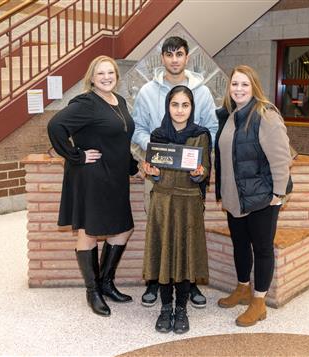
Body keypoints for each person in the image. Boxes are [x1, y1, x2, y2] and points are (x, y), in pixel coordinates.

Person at [47, 55, 139, 317]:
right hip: (92, 176)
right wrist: (77, 155)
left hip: (116, 177)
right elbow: (56, 125)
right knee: (89, 231)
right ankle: (93, 291)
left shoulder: (118, 101)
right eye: (101, 74)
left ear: (116, 76)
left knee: (123, 229)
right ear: (92, 78)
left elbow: (119, 139)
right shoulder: (86, 102)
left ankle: (106, 283)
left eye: (110, 73)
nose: (106, 77)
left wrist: (133, 167)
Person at [132, 36, 217, 308]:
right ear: (163, 59)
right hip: (159, 175)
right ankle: (156, 281)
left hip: (190, 181)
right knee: (160, 226)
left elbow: (211, 130)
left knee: (188, 230)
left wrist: (193, 155)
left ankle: (189, 283)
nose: (174, 59)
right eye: (169, 55)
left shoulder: (201, 92)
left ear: (187, 57)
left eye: (179, 54)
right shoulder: (147, 92)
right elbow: (137, 128)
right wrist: (160, 150)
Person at [214, 65, 292, 327]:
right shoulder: (230, 116)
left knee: (262, 248)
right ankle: (242, 288)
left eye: (244, 84)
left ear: (254, 87)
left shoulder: (265, 115)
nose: (238, 89)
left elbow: (281, 159)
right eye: (234, 84)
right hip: (235, 198)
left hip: (261, 198)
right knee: (239, 245)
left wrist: (278, 194)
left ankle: (258, 302)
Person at [141, 85, 211, 334]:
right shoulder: (158, 135)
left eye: (185, 105)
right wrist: (154, 174)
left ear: (192, 108)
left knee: (184, 257)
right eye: (175, 104)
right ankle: (165, 307)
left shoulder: (201, 135)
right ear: (167, 106)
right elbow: (156, 174)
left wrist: (198, 175)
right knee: (163, 256)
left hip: (188, 203)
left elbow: (204, 175)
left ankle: (181, 308)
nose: (179, 110)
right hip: (162, 202)